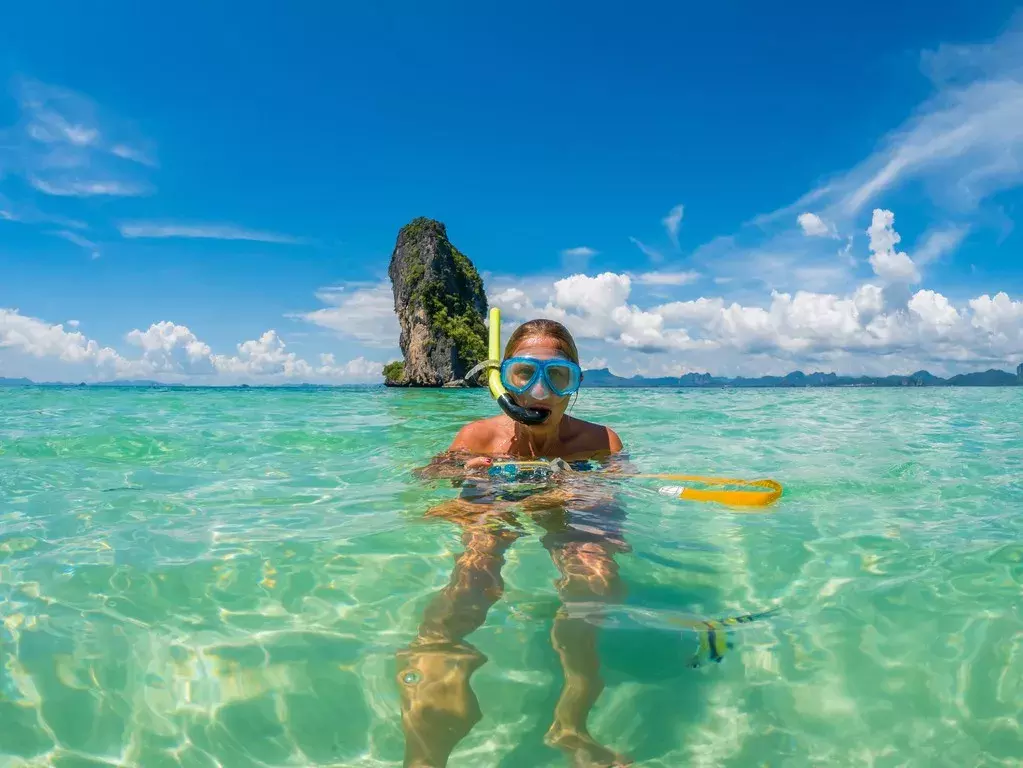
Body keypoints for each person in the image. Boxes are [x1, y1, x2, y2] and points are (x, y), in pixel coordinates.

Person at [397, 318, 632, 768]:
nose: (539, 393)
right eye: (525, 374)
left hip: (568, 498)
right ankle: (426, 743)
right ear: (503, 380)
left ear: (574, 384)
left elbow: (614, 500)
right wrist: (462, 474)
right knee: (474, 571)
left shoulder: (600, 441)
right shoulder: (476, 436)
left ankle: (572, 726)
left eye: (558, 376)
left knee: (596, 575)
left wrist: (584, 498)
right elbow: (425, 481)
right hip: (496, 494)